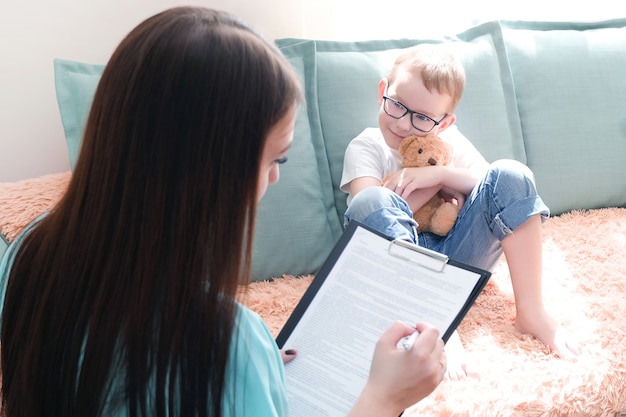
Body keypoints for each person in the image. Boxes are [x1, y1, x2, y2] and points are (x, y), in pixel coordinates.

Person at [0, 7, 447, 417]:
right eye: (276, 160)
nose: (274, 179)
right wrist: (383, 399)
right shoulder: (225, 348)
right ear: (215, 171)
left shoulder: (26, 252)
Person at [340, 43, 580, 380]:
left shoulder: (449, 143)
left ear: (444, 123)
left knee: (512, 173)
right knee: (374, 201)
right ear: (383, 92)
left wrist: (439, 173)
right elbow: (371, 216)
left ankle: (531, 311)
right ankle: (434, 320)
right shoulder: (367, 146)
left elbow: (492, 188)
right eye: (397, 106)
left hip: (456, 257)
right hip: (395, 270)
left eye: (423, 118)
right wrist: (433, 189)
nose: (405, 124)